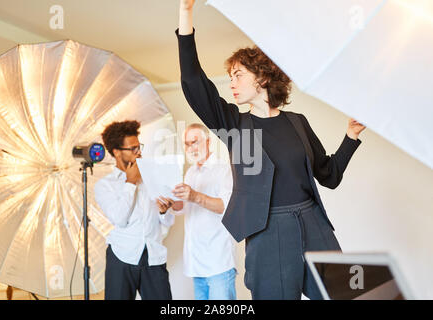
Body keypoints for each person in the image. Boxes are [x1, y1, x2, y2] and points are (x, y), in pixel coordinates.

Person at [177, 0, 366, 300]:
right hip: (267, 232)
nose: (232, 84)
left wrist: (350, 137)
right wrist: (185, 14)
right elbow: (193, 83)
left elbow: (329, 176)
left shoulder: (297, 123)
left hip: (314, 223)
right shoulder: (234, 126)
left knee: (343, 295)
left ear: (262, 78)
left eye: (238, 75)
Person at [94, 120, 175, 300]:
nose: (138, 152)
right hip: (122, 255)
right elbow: (120, 219)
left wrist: (164, 211)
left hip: (154, 255)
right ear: (116, 152)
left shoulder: (152, 177)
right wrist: (130, 182)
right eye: (133, 149)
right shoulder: (105, 185)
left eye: (139, 147)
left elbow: (168, 221)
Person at [167, 123, 236, 300]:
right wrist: (170, 204)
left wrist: (195, 196)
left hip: (218, 262)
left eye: (195, 142)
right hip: (195, 262)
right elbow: (184, 207)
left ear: (208, 141)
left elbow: (225, 207)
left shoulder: (224, 169)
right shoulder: (190, 172)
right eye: (187, 144)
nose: (191, 148)